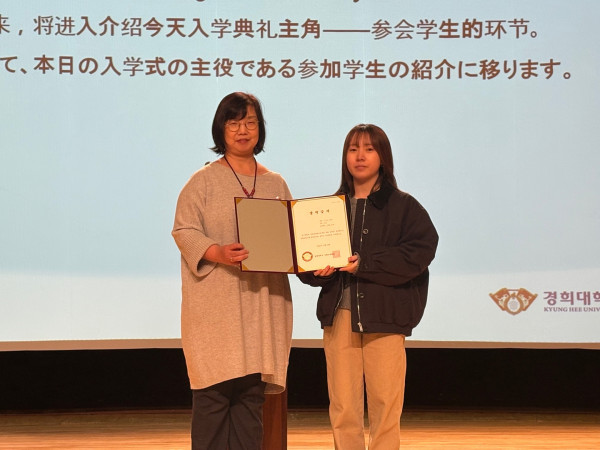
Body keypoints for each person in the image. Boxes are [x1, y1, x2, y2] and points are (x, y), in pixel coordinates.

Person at [298, 124, 438, 449]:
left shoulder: (404, 206)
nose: (360, 156)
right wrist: (319, 272)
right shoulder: (328, 208)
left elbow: (419, 253)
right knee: (343, 407)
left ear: (383, 157)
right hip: (340, 316)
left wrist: (365, 263)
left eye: (369, 149)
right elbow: (305, 264)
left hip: (386, 318)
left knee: (386, 406)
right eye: (353, 149)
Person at [172, 92, 293, 450]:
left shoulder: (275, 183)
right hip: (216, 315)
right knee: (212, 402)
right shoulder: (203, 181)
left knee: (250, 407)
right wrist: (219, 253)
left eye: (250, 122)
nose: (243, 130)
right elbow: (184, 231)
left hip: (260, 311)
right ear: (221, 129)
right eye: (234, 122)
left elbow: (292, 238)